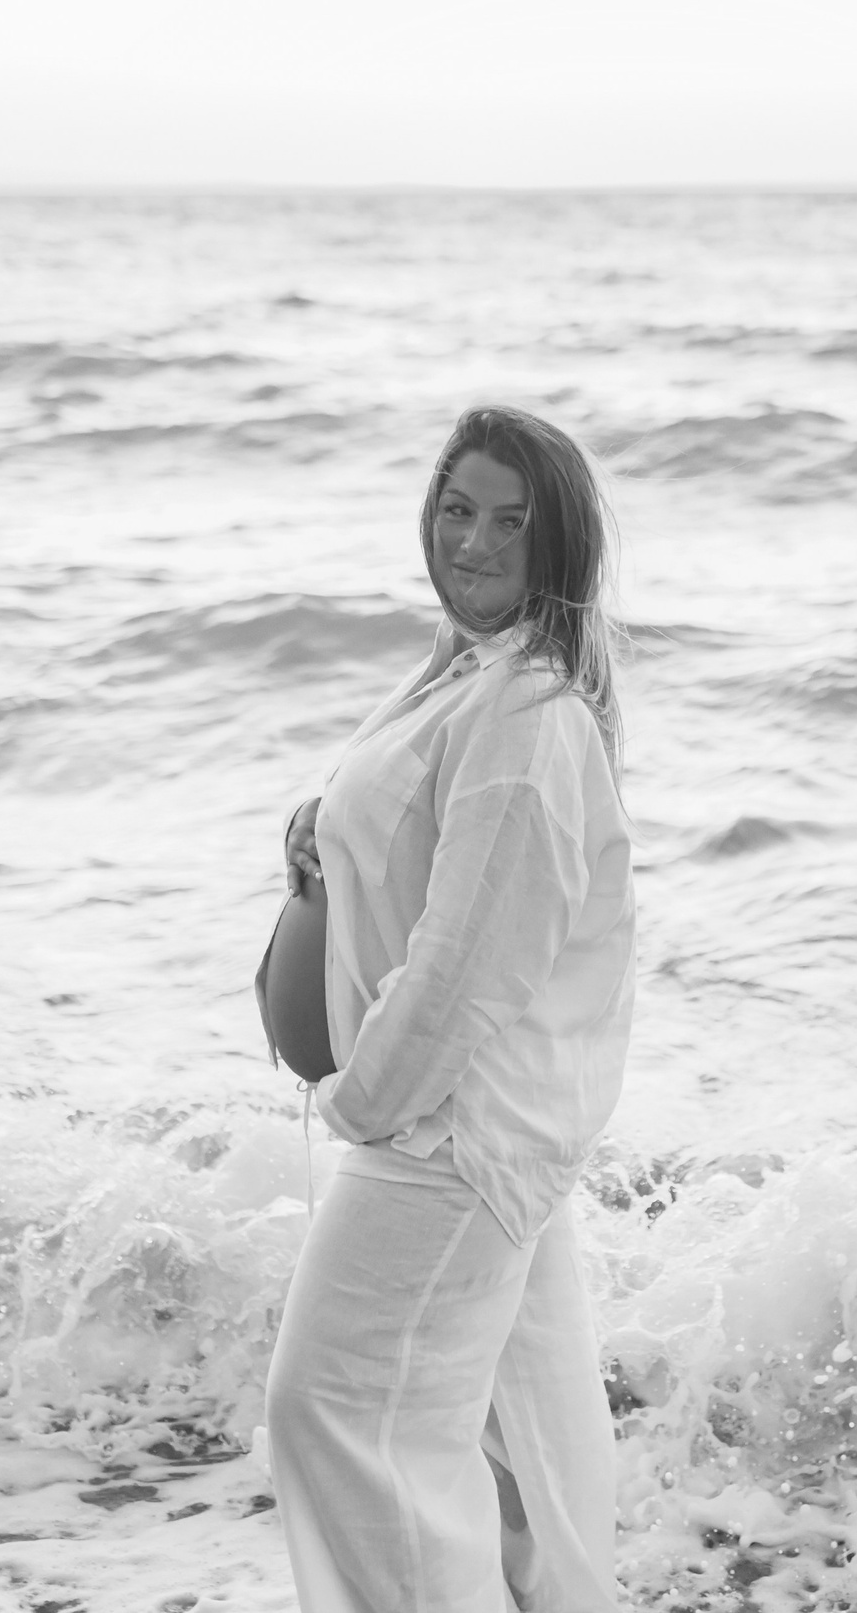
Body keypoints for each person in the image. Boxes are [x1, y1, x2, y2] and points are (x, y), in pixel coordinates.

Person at [266, 405, 633, 1613]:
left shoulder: (527, 721)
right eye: (455, 507)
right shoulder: (464, 677)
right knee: (518, 1467)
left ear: (557, 545)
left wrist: (363, 1102)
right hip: (467, 1130)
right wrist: (322, 840)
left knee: (344, 1421)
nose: (472, 541)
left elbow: (468, 961)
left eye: (510, 522)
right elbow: (423, 875)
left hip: (444, 1137)